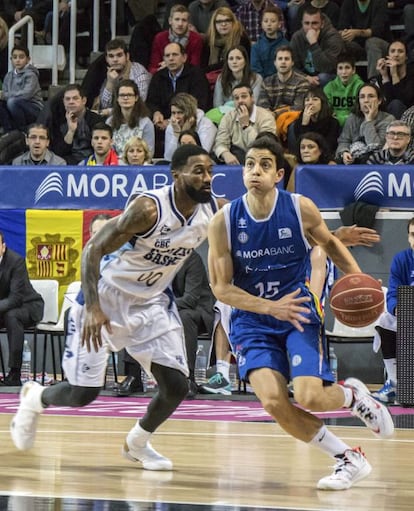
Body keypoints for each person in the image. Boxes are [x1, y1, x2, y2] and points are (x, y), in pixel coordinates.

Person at [10, 145, 226, 472]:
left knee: (177, 386)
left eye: (210, 170)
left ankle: (137, 444)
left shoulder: (210, 208)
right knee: (84, 393)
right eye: (198, 170)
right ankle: (35, 398)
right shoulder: (148, 209)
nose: (207, 177)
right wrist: (95, 308)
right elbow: (92, 250)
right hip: (106, 297)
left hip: (151, 302)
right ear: (176, 174)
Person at [207, 134, 394, 490]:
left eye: (264, 165)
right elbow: (221, 288)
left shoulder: (299, 207)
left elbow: (330, 243)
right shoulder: (224, 221)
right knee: (275, 403)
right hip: (252, 321)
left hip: (297, 313)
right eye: (249, 164)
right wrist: (267, 306)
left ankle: (354, 397)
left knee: (310, 396)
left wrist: (359, 282)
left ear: (278, 174)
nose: (255, 171)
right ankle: (347, 458)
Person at [373, 217, 414, 404]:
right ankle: (396, 382)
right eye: (413, 235)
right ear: (408, 237)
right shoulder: (402, 260)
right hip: (409, 315)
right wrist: (397, 308)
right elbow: (392, 294)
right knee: (384, 320)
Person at [0, 232, 44, 387]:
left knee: (12, 316)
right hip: (4, 308)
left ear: (3, 247)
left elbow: (15, 299)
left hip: (28, 305)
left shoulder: (16, 261)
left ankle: (14, 373)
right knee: (8, 314)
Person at [39, 83, 105, 165]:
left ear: (84, 100)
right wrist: (71, 131)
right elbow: (58, 152)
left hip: (92, 162)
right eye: (67, 99)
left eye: (75, 98)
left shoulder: (96, 120)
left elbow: (100, 148)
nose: (71, 102)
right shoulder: (57, 120)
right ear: (63, 102)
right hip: (66, 163)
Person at [214, 83, 276, 164]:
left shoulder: (266, 117)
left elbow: (264, 148)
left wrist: (246, 126)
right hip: (234, 159)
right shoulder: (227, 117)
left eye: (244, 96)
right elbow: (220, 143)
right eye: (236, 98)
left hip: (260, 159)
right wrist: (226, 154)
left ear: (252, 98)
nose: (240, 101)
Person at [336, 82, 395, 164]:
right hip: (353, 162)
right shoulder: (353, 118)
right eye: (362, 97)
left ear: (379, 101)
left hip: (376, 164)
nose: (366, 100)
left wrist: (369, 121)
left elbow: (376, 147)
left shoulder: (388, 119)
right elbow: (344, 141)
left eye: (371, 96)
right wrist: (344, 153)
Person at [92, 38, 151, 116]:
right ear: (106, 59)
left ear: (127, 56)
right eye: (111, 56)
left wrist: (108, 112)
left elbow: (136, 105)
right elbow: (104, 105)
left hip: (138, 117)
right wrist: (110, 83)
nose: (115, 60)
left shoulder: (139, 73)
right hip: (115, 118)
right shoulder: (109, 72)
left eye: (119, 55)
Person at [290, 5, 344, 87]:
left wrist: (314, 44)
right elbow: (292, 66)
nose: (310, 27)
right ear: (302, 23)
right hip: (306, 76)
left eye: (314, 23)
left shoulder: (333, 37)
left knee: (322, 77)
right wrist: (305, 77)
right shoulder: (297, 37)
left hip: (330, 76)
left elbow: (327, 68)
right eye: (307, 23)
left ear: (322, 24)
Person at [337, 0, 389, 81]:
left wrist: (357, 32)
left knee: (372, 42)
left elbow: (378, 30)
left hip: (381, 44)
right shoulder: (348, 3)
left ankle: (374, 82)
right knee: (341, 43)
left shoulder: (380, 2)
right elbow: (341, 27)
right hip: (359, 46)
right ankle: (346, 84)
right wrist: (344, 33)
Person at [148, 4, 203, 74]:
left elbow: (195, 68)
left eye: (184, 20)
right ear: (170, 21)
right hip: (163, 76)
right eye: (177, 19)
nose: (180, 24)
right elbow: (152, 68)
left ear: (188, 23)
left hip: (187, 78)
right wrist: (161, 69)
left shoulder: (196, 39)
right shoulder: (159, 38)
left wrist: (171, 65)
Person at [106, 79, 155, 157]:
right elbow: (108, 151)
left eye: (129, 95)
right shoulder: (109, 122)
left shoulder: (146, 123)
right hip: (115, 166)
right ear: (117, 99)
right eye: (122, 95)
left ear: (136, 98)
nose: (125, 98)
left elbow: (149, 152)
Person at [0, 45, 43, 133]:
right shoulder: (8, 76)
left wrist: (5, 96)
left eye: (21, 57)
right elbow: (4, 92)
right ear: (11, 59)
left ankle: (23, 130)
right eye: (15, 57)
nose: (18, 60)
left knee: (12, 102)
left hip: (33, 109)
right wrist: (4, 96)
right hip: (14, 106)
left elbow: (26, 94)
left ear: (28, 59)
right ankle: (9, 131)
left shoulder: (31, 75)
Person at [164, 92, 216, 161]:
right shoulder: (172, 126)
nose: (176, 117)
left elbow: (202, 153)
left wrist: (186, 133)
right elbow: (169, 158)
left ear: (189, 112)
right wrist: (177, 134)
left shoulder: (206, 125)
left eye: (180, 112)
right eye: (173, 113)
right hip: (180, 164)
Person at [288, 87, 340, 154]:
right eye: (307, 100)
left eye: (315, 99)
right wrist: (304, 124)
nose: (310, 103)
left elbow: (329, 147)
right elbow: (299, 148)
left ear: (322, 102)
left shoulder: (332, 122)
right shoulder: (298, 123)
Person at [201, 7, 251, 74]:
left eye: (227, 20)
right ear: (214, 24)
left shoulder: (241, 39)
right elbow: (203, 65)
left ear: (233, 22)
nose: (223, 24)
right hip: (211, 78)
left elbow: (235, 63)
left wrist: (210, 69)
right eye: (219, 21)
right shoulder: (208, 41)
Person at [375, 40, 414, 120]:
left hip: (410, 116)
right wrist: (385, 77)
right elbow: (389, 103)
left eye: (400, 51)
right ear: (388, 55)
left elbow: (404, 101)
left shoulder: (412, 74)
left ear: (406, 56)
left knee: (397, 104)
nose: (396, 55)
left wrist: (394, 75)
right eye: (392, 51)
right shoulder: (383, 75)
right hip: (389, 118)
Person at [323, 52, 364, 128]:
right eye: (340, 68)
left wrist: (341, 119)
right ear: (337, 71)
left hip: (354, 123)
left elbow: (360, 112)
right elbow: (326, 110)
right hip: (334, 123)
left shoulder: (360, 86)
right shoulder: (329, 87)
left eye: (347, 67)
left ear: (353, 70)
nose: (344, 72)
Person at [250, 5, 289, 79]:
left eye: (273, 21)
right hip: (262, 83)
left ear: (279, 24)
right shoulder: (256, 47)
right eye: (266, 21)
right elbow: (255, 70)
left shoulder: (286, 45)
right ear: (261, 24)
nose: (269, 24)